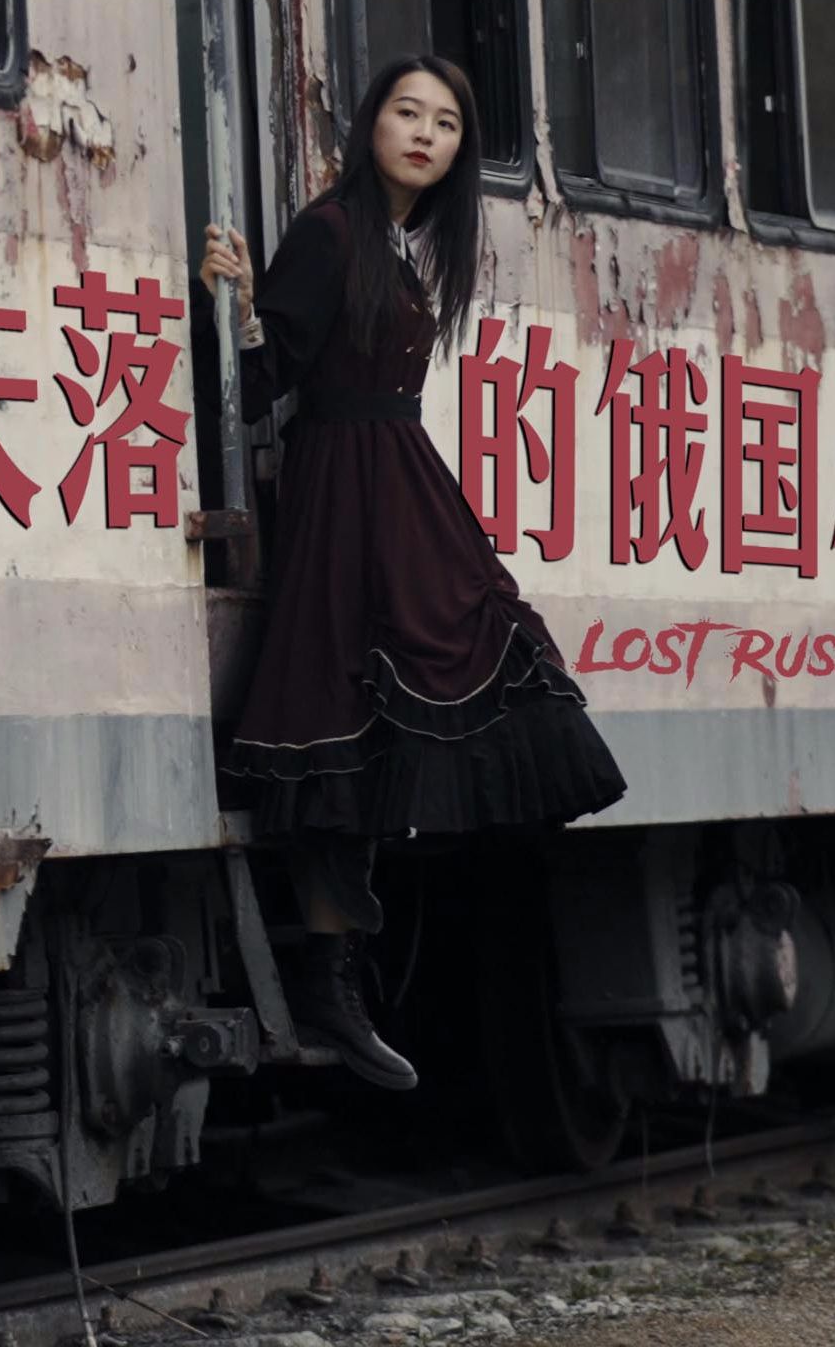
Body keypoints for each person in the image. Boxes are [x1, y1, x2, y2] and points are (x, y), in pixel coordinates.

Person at [198, 55, 626, 1089]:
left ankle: (343, 982)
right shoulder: (334, 230)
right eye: (406, 113)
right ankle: (332, 988)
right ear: (371, 125)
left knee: (447, 673)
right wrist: (237, 309)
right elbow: (265, 385)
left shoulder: (402, 243)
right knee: (346, 720)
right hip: (348, 494)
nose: (424, 134)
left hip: (398, 487)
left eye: (444, 122)